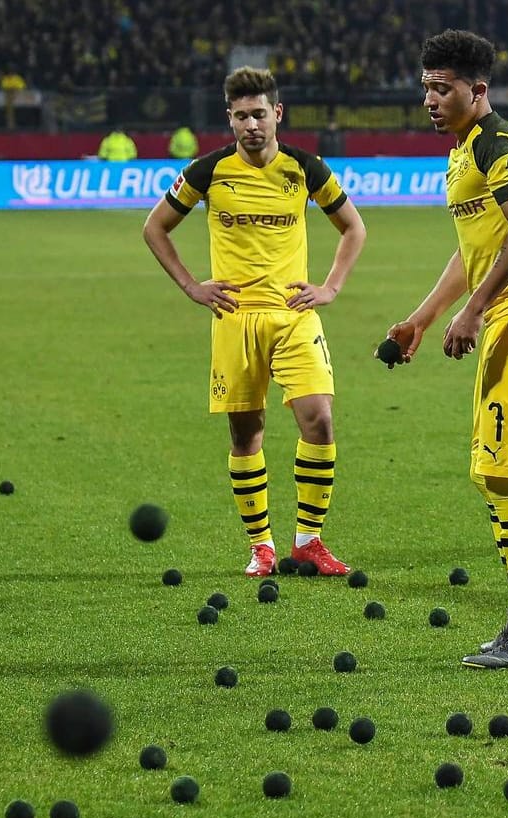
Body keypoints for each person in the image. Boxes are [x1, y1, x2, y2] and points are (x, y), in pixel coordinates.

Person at [385, 30, 508, 670]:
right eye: (426, 89)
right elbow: (476, 248)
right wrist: (424, 316)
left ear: (479, 90)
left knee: (506, 475)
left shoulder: (500, 142)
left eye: (443, 89)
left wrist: (472, 311)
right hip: (507, 323)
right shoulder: (464, 151)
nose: (432, 101)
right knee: (492, 474)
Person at [142, 68, 368, 578]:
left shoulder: (305, 169)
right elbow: (155, 227)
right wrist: (191, 286)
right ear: (230, 118)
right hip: (235, 319)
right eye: (241, 116)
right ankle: (261, 547)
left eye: (259, 114)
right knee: (247, 435)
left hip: (293, 317)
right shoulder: (207, 171)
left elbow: (353, 226)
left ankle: (308, 540)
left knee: (320, 419)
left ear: (277, 114)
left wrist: (330, 286)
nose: (251, 125)